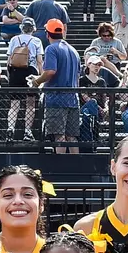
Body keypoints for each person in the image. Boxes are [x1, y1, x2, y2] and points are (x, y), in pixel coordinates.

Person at [39, 20, 81, 153]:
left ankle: (60, 167)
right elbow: (78, 77)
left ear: (47, 34)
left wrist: (36, 81)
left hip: (56, 99)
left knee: (59, 135)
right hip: (73, 99)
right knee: (72, 136)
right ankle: (75, 165)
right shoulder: (73, 50)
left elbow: (50, 71)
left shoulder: (51, 48)